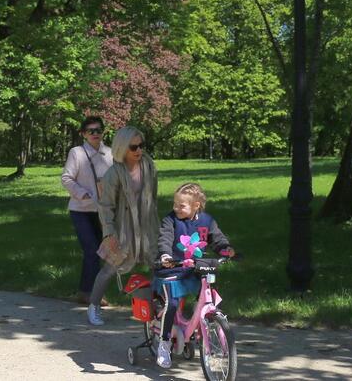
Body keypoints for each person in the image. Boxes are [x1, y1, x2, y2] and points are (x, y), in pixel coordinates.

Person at [153, 182, 234, 368]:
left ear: (196, 205)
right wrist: (165, 255)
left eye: (181, 205)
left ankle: (206, 328)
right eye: (175, 204)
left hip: (196, 267)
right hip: (172, 267)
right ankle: (164, 343)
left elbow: (217, 238)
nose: (176, 208)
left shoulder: (207, 221)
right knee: (171, 303)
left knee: (208, 298)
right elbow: (164, 238)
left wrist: (225, 249)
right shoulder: (170, 220)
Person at [88, 126, 160, 326]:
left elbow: (153, 197)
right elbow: (106, 205)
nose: (138, 151)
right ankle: (94, 305)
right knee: (111, 267)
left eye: (141, 146)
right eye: (133, 147)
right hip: (123, 226)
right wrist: (109, 232)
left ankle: (155, 308)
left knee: (158, 264)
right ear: (122, 148)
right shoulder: (114, 173)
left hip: (147, 224)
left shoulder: (149, 166)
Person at [61, 116, 113, 305]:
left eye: (98, 130)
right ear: (83, 134)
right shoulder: (77, 153)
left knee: (101, 251)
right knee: (91, 249)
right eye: (91, 131)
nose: (95, 134)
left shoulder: (110, 153)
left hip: (103, 211)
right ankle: (90, 293)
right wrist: (82, 193)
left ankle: (87, 291)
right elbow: (66, 178)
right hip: (81, 210)